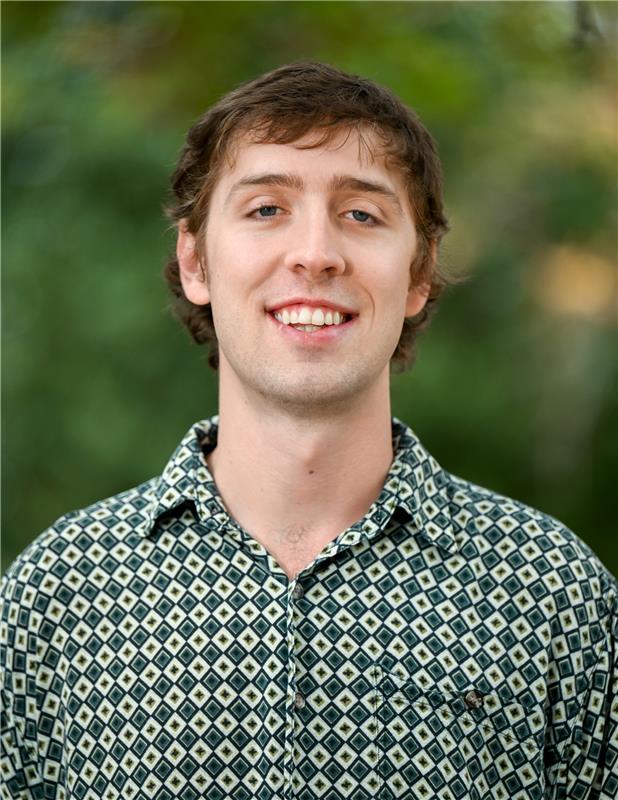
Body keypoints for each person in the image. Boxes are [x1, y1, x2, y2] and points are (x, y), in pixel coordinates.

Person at [1, 62, 616, 800]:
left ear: (418, 273)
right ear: (196, 261)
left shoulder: (554, 593)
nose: (316, 253)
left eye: (362, 214)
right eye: (267, 209)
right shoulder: (58, 592)